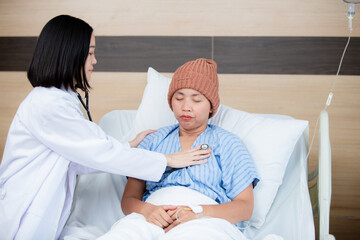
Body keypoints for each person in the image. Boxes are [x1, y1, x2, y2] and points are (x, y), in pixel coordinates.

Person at [0, 16, 210, 240]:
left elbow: (82, 157)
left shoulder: (59, 100)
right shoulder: (47, 105)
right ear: (70, 54)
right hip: (22, 210)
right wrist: (167, 160)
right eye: (90, 53)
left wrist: (129, 145)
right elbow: (99, 153)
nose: (95, 61)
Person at [97, 58, 259, 240]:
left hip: (203, 221)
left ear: (211, 106)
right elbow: (128, 200)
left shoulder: (229, 144)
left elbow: (245, 207)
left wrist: (198, 212)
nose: (186, 107)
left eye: (196, 100)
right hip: (150, 217)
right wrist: (147, 210)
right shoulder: (153, 140)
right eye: (179, 98)